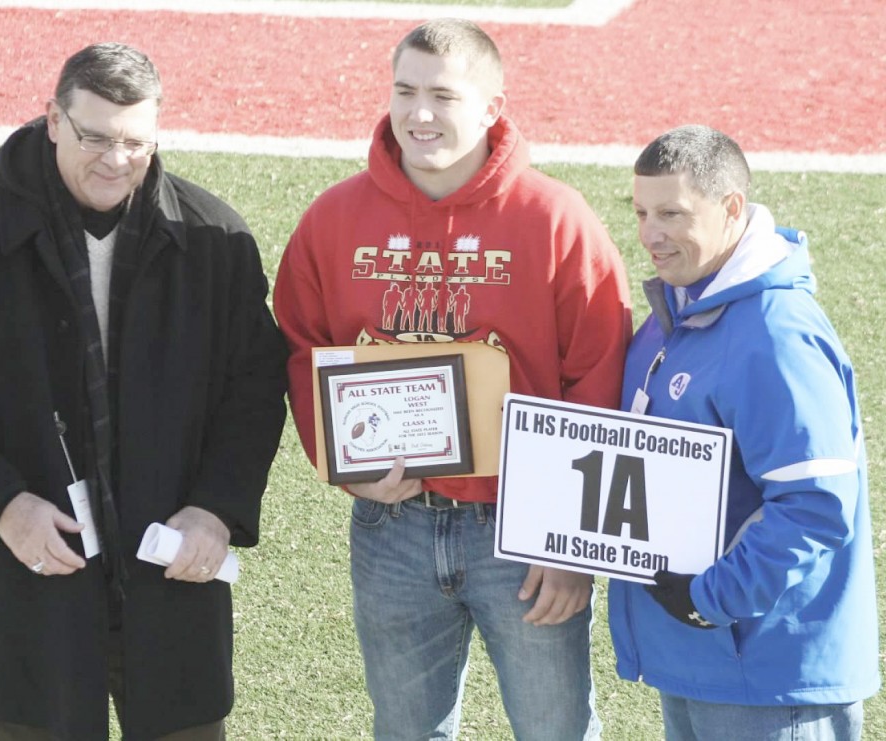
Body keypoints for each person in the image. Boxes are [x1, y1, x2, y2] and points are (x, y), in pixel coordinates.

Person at [0, 42, 287, 740]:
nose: (116, 158)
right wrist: (1, 503)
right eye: (94, 135)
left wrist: (216, 510)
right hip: (27, 565)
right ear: (53, 119)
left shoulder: (216, 237)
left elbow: (255, 388)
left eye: (136, 141)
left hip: (168, 568)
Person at [274, 18, 631, 740]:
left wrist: (568, 541)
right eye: (405, 91)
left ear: (493, 107)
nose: (420, 113)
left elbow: (598, 372)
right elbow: (301, 347)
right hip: (391, 525)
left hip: (522, 533)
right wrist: (348, 468)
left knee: (555, 727)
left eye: (443, 94)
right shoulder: (334, 217)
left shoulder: (554, 217)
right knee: (406, 731)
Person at [609, 125, 879, 740]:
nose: (651, 234)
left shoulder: (776, 335)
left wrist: (709, 599)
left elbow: (814, 508)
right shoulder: (673, 313)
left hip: (765, 673)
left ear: (732, 208)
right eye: (643, 212)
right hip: (699, 656)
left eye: (672, 213)